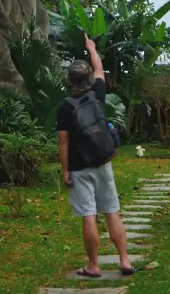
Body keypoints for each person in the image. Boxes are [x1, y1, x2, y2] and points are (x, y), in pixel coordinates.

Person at [56, 34, 135, 279]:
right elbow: (99, 67)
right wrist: (91, 48)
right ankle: (124, 260)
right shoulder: (98, 93)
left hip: (79, 166)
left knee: (88, 215)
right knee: (112, 211)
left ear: (69, 80)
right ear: (89, 78)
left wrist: (65, 170)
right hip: (102, 161)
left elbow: (63, 141)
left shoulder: (65, 106)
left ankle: (93, 265)